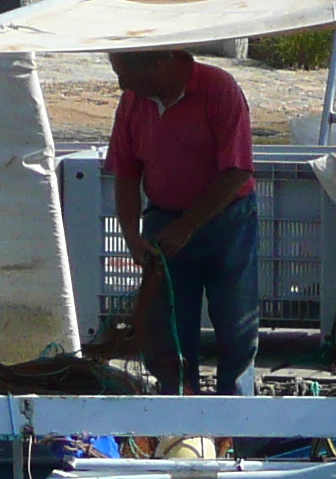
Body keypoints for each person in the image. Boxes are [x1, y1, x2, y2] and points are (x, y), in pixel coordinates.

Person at [105, 49, 257, 394]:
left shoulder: (219, 88)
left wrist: (188, 226)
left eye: (125, 73)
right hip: (162, 217)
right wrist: (130, 233)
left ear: (160, 63)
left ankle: (238, 416)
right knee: (167, 327)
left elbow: (236, 170)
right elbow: (126, 174)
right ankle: (175, 405)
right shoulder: (132, 101)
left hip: (226, 219)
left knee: (236, 325)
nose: (121, 83)